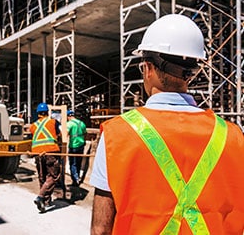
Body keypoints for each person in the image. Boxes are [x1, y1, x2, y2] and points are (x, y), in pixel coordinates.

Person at [90, 14, 244, 234]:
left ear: (148, 68)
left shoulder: (117, 134)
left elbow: (100, 229)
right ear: (190, 73)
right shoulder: (233, 136)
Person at [30, 102, 61, 213]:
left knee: (42, 177)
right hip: (50, 152)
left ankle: (45, 202)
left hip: (38, 154)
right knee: (53, 176)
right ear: (47, 112)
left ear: (38, 113)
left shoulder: (33, 126)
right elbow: (59, 134)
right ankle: (40, 197)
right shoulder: (53, 122)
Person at [66, 109, 87, 186]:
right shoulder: (82, 123)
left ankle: (75, 180)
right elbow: (85, 134)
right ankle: (77, 177)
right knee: (78, 162)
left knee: (73, 163)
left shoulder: (69, 124)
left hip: (73, 146)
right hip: (81, 145)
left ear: (69, 116)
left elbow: (66, 134)